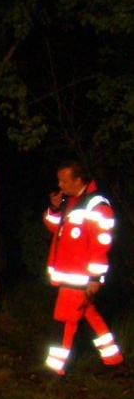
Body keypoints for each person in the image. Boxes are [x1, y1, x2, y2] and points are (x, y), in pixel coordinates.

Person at [42, 160, 124, 377]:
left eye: (64, 181)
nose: (60, 185)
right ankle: (114, 362)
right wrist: (55, 208)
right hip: (71, 276)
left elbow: (101, 243)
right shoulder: (72, 201)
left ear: (78, 180)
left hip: (79, 278)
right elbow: (54, 228)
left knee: (64, 321)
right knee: (91, 317)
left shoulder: (97, 205)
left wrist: (95, 277)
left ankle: (54, 370)